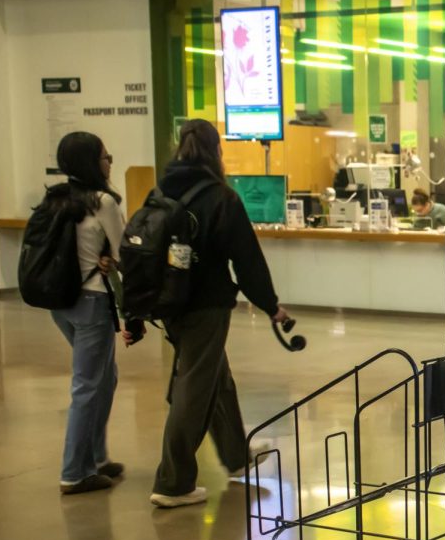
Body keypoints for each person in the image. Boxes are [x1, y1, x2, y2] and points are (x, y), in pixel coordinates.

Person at [149, 119, 288, 509]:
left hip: (169, 304)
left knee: (216, 378)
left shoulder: (159, 191)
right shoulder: (220, 198)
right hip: (206, 306)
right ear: (217, 152)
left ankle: (234, 455)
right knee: (194, 387)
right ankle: (172, 482)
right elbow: (247, 260)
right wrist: (270, 304)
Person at [43, 132, 138, 495]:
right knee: (88, 384)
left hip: (60, 302)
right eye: (104, 156)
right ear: (90, 163)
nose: (109, 162)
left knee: (105, 377)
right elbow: (126, 252)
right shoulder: (102, 202)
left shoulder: (54, 198)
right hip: (91, 301)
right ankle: (74, 472)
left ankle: (97, 457)